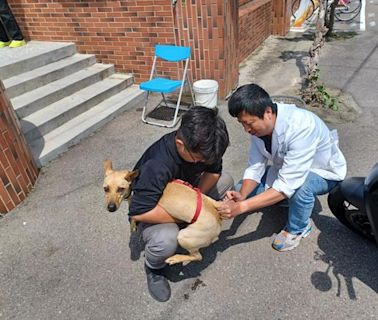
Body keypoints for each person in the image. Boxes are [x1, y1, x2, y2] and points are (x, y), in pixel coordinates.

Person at [217, 84, 347, 252]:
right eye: (242, 124)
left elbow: (288, 184)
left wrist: (241, 207)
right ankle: (287, 201)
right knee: (241, 188)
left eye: (249, 123)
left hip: (322, 173)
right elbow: (255, 167)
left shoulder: (301, 126)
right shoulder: (259, 130)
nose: (246, 129)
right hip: (288, 169)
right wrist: (242, 196)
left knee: (301, 188)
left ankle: (297, 228)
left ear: (268, 112)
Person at [129, 106, 233, 302]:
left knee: (226, 180)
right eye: (200, 159)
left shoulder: (205, 147)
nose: (205, 161)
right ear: (180, 144)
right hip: (154, 207)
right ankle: (154, 267)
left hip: (183, 194)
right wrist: (192, 214)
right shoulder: (156, 165)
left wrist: (196, 199)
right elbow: (138, 212)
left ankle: (190, 226)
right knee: (166, 239)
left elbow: (214, 172)